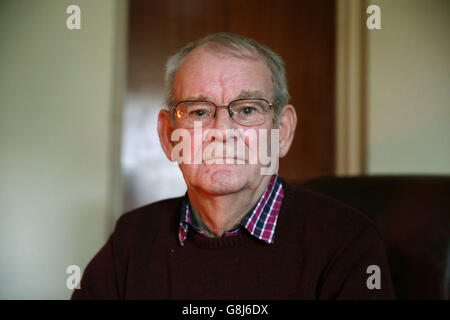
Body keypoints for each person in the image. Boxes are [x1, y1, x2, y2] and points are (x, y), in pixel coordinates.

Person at [72, 32, 395, 299]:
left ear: (282, 132)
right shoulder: (132, 239)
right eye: (199, 112)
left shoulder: (348, 242)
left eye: (247, 110)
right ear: (169, 136)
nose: (222, 132)